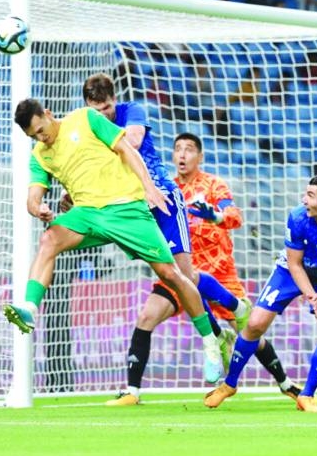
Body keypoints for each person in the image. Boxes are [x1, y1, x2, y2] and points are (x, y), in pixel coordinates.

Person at [3, 99, 226, 387]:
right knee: (49, 239)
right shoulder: (40, 154)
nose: (40, 138)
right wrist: (37, 207)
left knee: (171, 275)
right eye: (34, 136)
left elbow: (126, 149)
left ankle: (210, 342)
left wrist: (148, 188)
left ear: (47, 114)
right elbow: (33, 195)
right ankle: (29, 310)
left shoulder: (85, 119)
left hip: (126, 208)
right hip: (88, 213)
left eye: (40, 130)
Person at [81, 73, 253, 390]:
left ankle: (239, 320)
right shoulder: (87, 127)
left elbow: (130, 141)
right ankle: (134, 388)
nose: (102, 115)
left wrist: (215, 216)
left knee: (186, 276)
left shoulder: (132, 112)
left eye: (106, 107)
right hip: (132, 208)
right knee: (154, 304)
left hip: (182, 225)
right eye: (95, 110)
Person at [108, 133, 301, 405]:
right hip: (178, 273)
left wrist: (214, 215)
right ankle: (132, 391)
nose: (182, 155)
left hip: (220, 273)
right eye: (177, 150)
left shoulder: (214, 185)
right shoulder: (163, 188)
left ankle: (285, 382)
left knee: (251, 331)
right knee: (146, 318)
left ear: (200, 157)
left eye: (188, 150)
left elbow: (234, 216)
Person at [204, 173, 317, 412]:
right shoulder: (298, 217)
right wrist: (314, 299)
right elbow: (295, 264)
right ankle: (229, 384)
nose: (303, 199)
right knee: (255, 323)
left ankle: (306, 395)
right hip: (290, 271)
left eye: (310, 195)